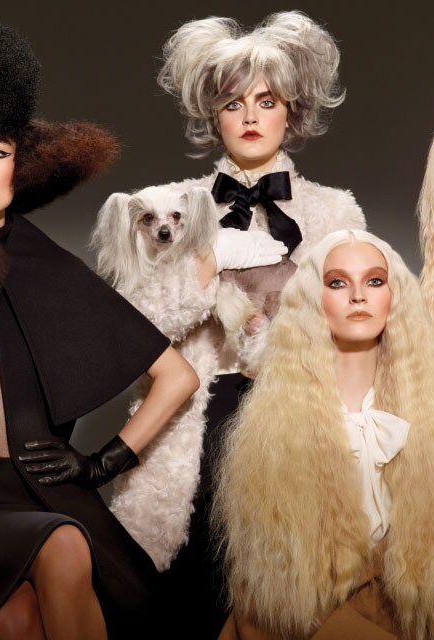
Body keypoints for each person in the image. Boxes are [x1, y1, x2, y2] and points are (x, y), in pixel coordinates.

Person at [0, 22, 198, 640]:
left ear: (19, 168)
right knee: (60, 551)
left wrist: (102, 463)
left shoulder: (47, 266)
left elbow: (177, 376)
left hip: (40, 494)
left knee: (20, 622)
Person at [93, 11, 366, 638]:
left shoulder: (335, 211)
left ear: (291, 113)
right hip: (190, 417)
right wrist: (209, 264)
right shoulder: (168, 205)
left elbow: (354, 329)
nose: (249, 117)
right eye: (232, 103)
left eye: (266, 102)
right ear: (212, 116)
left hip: (295, 411)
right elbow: (132, 330)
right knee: (171, 596)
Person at [214, 229, 434, 640]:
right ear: (313, 300)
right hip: (323, 614)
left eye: (375, 281)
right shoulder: (274, 431)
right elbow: (274, 578)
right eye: (337, 283)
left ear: (395, 296)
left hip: (418, 604)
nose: (358, 296)